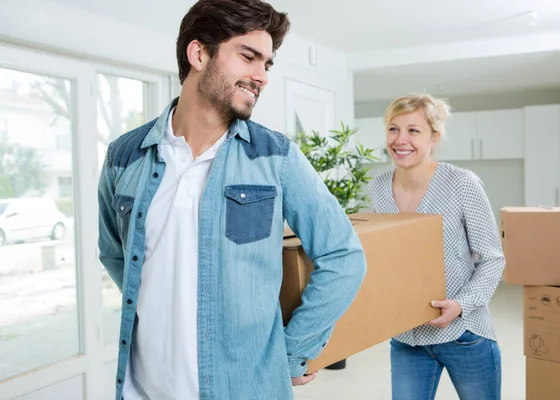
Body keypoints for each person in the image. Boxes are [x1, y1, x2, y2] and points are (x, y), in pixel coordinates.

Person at [97, 1, 367, 399]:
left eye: (267, 64)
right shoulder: (125, 156)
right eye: (248, 57)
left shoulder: (275, 157)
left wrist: (292, 353)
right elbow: (115, 254)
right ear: (199, 54)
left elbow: (343, 256)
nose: (261, 77)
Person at [367, 93, 505, 400]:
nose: (400, 139)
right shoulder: (378, 187)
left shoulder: (461, 183)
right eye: (393, 129)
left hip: (464, 333)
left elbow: (493, 258)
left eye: (413, 130)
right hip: (406, 337)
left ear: (434, 136)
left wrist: (461, 305)